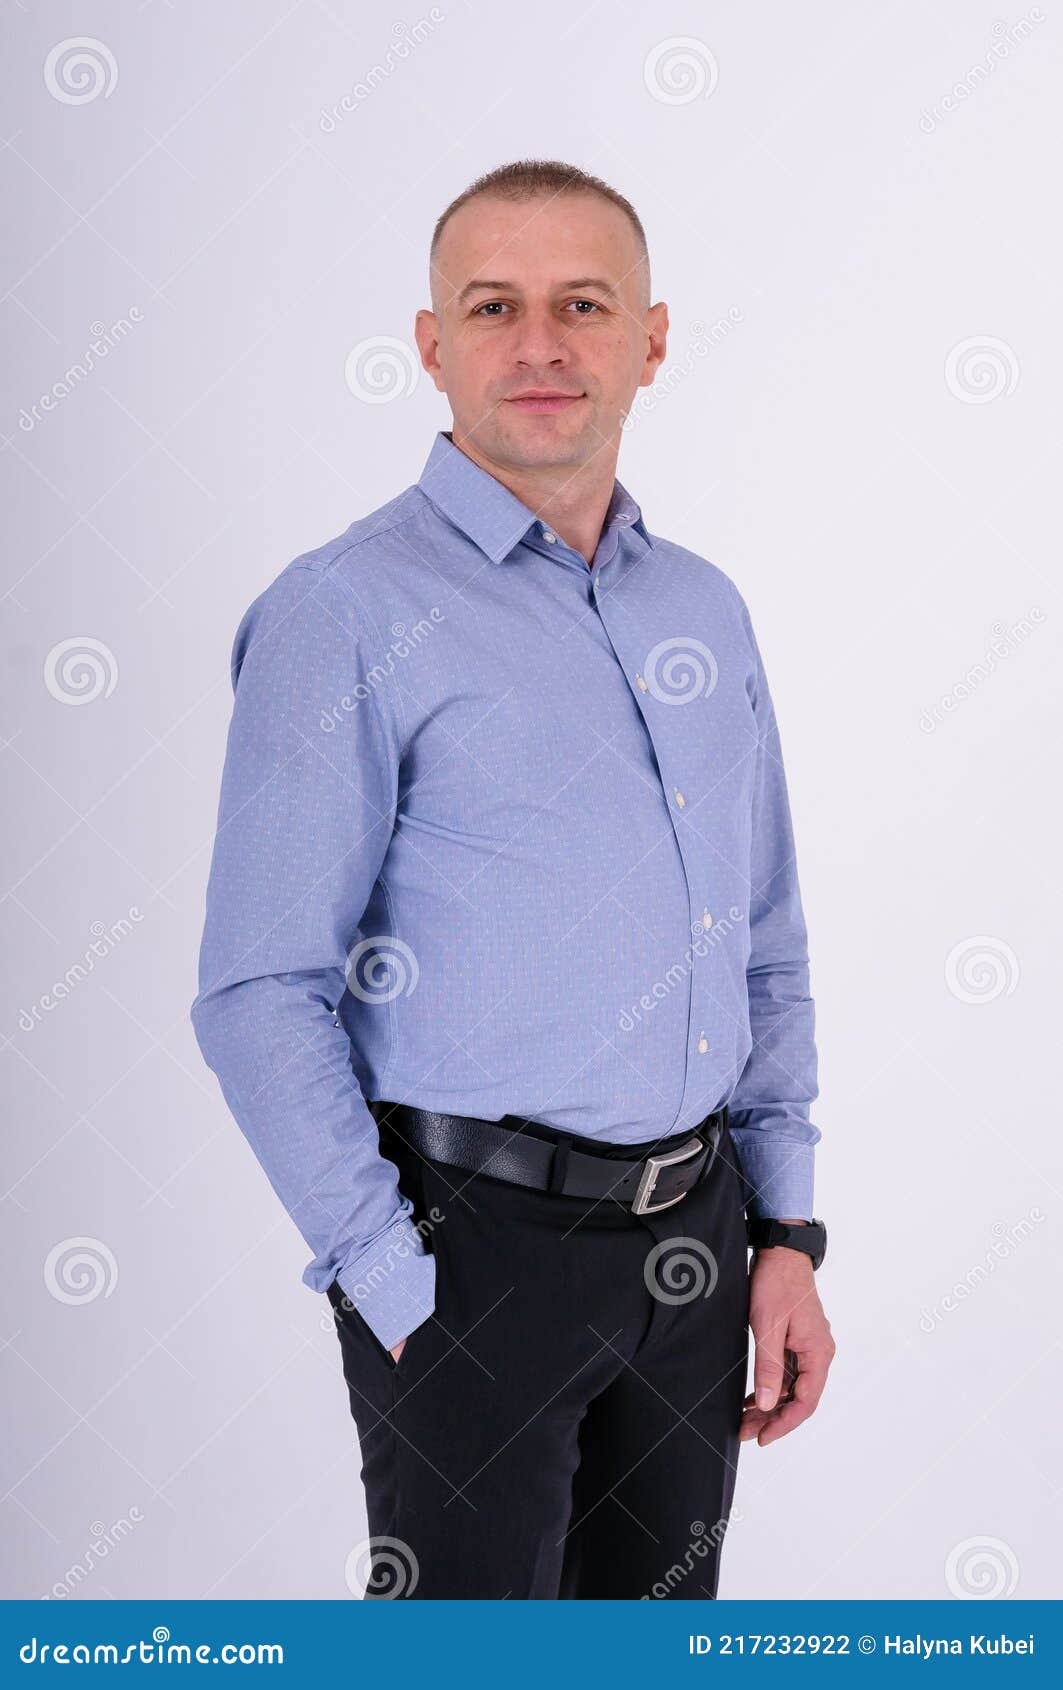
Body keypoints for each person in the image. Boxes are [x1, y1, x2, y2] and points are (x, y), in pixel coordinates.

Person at [191, 158, 835, 1601]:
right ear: (433, 344)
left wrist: (784, 1235)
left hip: (699, 1246)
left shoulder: (703, 608)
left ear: (650, 341)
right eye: (494, 306)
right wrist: (395, 1277)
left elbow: (768, 942)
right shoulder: (344, 610)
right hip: (470, 1258)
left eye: (582, 305)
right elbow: (256, 991)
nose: (540, 344)